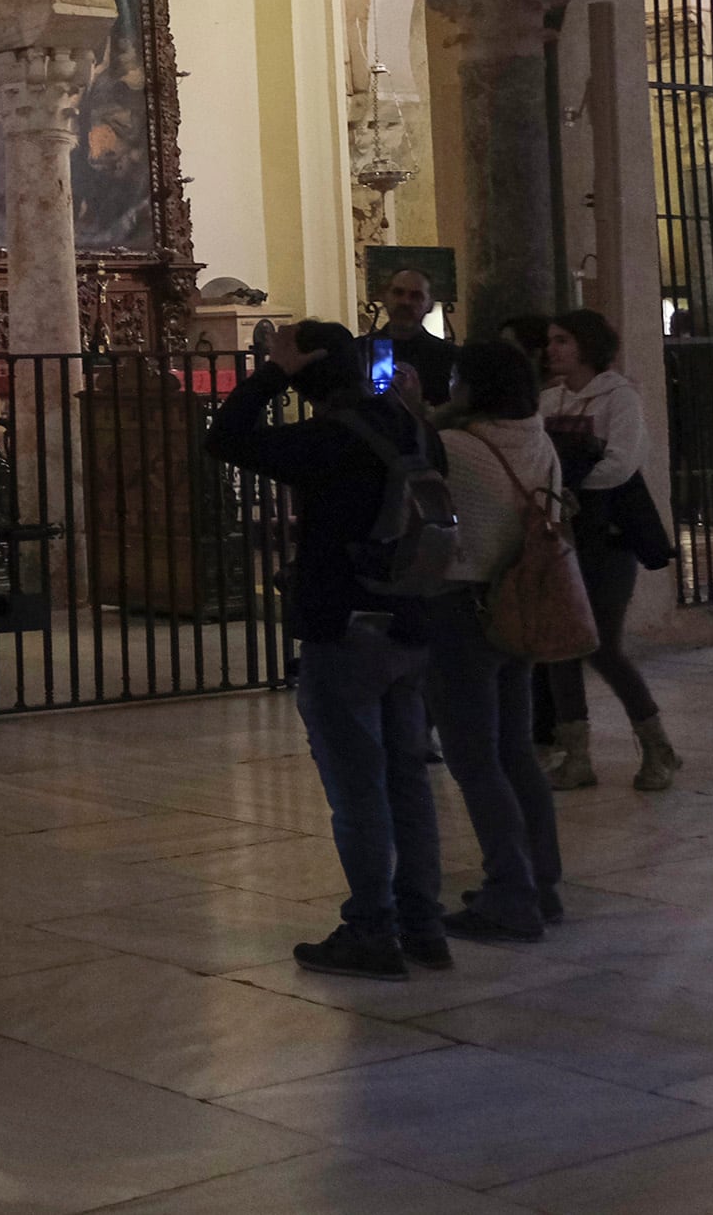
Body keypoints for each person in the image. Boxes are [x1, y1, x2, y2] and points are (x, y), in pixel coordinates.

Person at [207, 320, 449, 979]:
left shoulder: (327, 437)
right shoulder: (412, 425)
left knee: (359, 787)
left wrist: (270, 374)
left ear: (306, 376)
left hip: (346, 626)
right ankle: (423, 921)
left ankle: (372, 929)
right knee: (407, 778)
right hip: (409, 620)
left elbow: (224, 438)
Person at [425, 342, 568, 943]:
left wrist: (419, 412)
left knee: (474, 759)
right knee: (514, 752)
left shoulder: (458, 446)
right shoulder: (540, 440)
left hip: (464, 609)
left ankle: (510, 894)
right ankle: (541, 882)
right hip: (522, 604)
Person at [542, 308, 679, 792]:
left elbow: (622, 462)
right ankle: (575, 754)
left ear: (586, 344)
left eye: (562, 340)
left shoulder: (619, 397)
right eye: (551, 340)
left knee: (601, 645)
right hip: (561, 535)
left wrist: (568, 488)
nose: (553, 348)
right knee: (559, 642)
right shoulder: (548, 401)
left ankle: (657, 744)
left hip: (607, 534)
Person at [372, 268, 458, 408]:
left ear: (430, 304)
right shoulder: (358, 352)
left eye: (416, 296)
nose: (405, 302)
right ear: (384, 298)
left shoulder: (450, 357)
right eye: (398, 293)